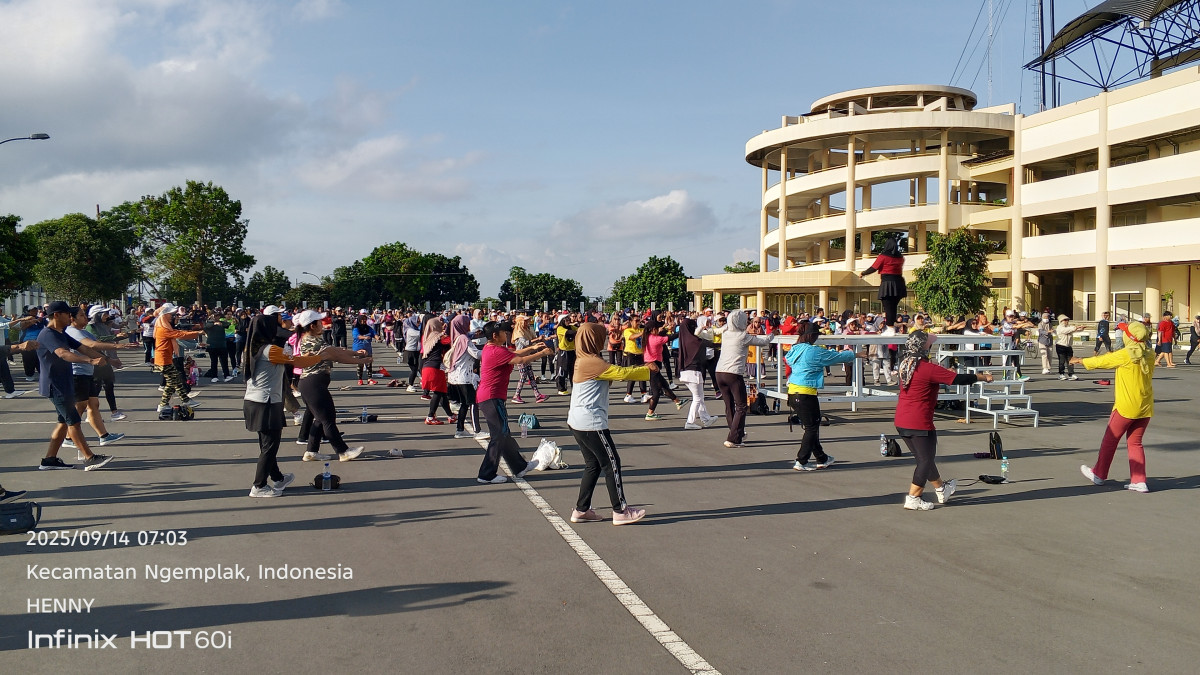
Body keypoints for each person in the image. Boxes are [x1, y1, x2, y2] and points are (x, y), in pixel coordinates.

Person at [894, 330, 992, 509]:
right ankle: (913, 498)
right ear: (924, 347)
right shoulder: (927, 368)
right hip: (919, 420)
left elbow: (932, 378)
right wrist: (982, 377)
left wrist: (942, 372)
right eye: (929, 345)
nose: (931, 347)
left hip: (902, 419)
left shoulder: (905, 364)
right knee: (925, 460)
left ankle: (941, 489)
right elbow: (958, 379)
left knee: (925, 459)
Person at [242, 310, 336, 497]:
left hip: (253, 400)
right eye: (274, 325)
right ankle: (258, 486)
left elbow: (293, 358)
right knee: (270, 446)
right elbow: (298, 361)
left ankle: (277, 478)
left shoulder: (253, 347)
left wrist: (309, 355)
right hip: (266, 402)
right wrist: (320, 356)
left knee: (266, 445)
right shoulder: (271, 350)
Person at [567, 322, 653, 525]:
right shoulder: (591, 362)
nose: (603, 339)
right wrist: (647, 370)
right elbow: (622, 374)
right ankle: (620, 510)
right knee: (611, 463)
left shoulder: (586, 358)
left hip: (579, 421)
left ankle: (581, 509)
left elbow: (610, 376)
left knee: (593, 465)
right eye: (601, 336)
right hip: (591, 422)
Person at [1072, 320, 1155, 493]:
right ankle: (1139, 480)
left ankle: (1099, 474)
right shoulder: (1149, 353)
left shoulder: (1126, 354)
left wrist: (1080, 360)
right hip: (1145, 406)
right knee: (1135, 442)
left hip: (1126, 406)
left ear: (1129, 337)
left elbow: (1103, 360)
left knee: (1110, 440)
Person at [34, 301, 116, 471]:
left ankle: (49, 460)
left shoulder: (61, 332)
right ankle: (90, 458)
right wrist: (90, 361)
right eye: (67, 314)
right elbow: (63, 354)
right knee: (74, 422)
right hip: (54, 385)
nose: (70, 318)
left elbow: (83, 348)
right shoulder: (48, 334)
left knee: (63, 422)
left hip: (64, 383)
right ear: (56, 315)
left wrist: (108, 360)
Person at [475, 320, 553, 484]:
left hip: (490, 397)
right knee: (499, 435)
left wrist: (532, 348)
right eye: (503, 332)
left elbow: (516, 354)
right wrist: (542, 353)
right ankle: (486, 474)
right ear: (495, 336)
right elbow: (520, 361)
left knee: (504, 434)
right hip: (491, 397)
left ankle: (519, 467)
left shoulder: (493, 348)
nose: (507, 334)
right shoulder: (496, 351)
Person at [293, 310, 371, 463]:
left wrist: (356, 353)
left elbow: (336, 350)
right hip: (313, 384)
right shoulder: (312, 341)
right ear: (313, 325)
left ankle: (311, 451)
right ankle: (343, 451)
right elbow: (336, 356)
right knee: (328, 419)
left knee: (319, 419)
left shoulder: (313, 338)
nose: (324, 324)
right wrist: (361, 361)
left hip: (311, 384)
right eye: (320, 322)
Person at [785, 322, 862, 471]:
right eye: (816, 335)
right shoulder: (813, 351)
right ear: (812, 336)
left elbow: (788, 360)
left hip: (793, 392)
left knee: (811, 426)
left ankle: (822, 458)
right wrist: (855, 354)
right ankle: (801, 461)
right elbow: (834, 357)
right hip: (806, 393)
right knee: (811, 428)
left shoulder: (794, 349)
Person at [63, 306, 137, 452]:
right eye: (82, 315)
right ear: (72, 318)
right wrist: (120, 346)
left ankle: (103, 436)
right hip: (77, 373)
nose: (85, 317)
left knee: (93, 404)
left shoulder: (83, 331)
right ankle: (68, 438)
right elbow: (92, 345)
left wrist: (110, 360)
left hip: (87, 373)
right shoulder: (72, 332)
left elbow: (93, 350)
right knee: (80, 407)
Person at [713, 309, 772, 448]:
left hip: (719, 372)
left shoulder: (726, 333)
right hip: (733, 374)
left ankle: (736, 432)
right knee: (741, 406)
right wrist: (772, 335)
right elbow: (763, 341)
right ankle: (733, 438)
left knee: (729, 405)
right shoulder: (743, 336)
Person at [154, 303, 203, 413]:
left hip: (166, 358)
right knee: (175, 380)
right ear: (165, 316)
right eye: (171, 314)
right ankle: (185, 400)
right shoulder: (163, 329)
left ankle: (164, 404)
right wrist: (197, 332)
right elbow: (180, 334)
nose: (173, 316)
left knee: (173, 381)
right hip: (163, 359)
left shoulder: (164, 327)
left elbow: (179, 333)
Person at [446, 313, 485, 439]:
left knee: (465, 403)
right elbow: (476, 354)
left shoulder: (457, 337)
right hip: (463, 376)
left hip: (454, 376)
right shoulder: (464, 339)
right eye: (467, 323)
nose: (468, 325)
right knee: (472, 402)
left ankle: (460, 429)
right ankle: (477, 431)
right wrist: (490, 350)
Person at [676, 316, 717, 430]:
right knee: (698, 398)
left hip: (685, 372)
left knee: (699, 396)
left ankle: (706, 419)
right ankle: (690, 421)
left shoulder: (683, 339)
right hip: (693, 372)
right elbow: (709, 344)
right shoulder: (694, 340)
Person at [641, 313, 683, 420]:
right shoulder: (656, 339)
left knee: (664, 385)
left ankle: (677, 401)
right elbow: (670, 337)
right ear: (652, 329)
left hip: (651, 364)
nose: (657, 330)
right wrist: (681, 331)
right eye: (656, 328)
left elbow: (662, 334)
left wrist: (665, 329)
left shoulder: (647, 337)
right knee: (656, 392)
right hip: (653, 366)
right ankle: (650, 413)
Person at [859, 234, 907, 327]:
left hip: (887, 283)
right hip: (899, 283)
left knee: (888, 307)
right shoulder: (901, 257)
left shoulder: (883, 256)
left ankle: (889, 328)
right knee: (893, 307)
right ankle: (892, 326)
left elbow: (873, 268)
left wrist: (863, 273)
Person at [420, 316, 456, 425]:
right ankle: (430, 416)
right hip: (435, 368)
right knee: (438, 392)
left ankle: (451, 415)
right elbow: (450, 341)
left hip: (427, 367)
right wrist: (450, 327)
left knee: (442, 392)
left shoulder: (426, 338)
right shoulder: (438, 337)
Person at [511, 314, 547, 404]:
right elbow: (525, 343)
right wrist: (536, 340)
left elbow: (533, 338)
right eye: (525, 321)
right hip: (520, 356)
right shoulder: (518, 331)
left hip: (526, 355)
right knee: (523, 376)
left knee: (531, 375)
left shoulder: (527, 330)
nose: (527, 322)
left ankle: (537, 395)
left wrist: (540, 339)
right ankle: (516, 395)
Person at [621, 314, 648, 402]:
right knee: (632, 374)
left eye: (639, 321)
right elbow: (632, 337)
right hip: (631, 354)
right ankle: (628, 395)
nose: (638, 322)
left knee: (642, 374)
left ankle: (643, 394)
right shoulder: (628, 330)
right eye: (636, 321)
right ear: (631, 322)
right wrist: (642, 333)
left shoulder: (641, 329)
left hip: (640, 354)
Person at [202, 314, 233, 382]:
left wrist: (221, 322)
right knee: (214, 362)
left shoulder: (221, 323)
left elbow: (227, 324)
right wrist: (214, 323)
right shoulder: (208, 323)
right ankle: (214, 376)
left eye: (218, 316)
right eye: (215, 316)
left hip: (222, 345)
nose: (217, 317)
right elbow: (206, 327)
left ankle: (226, 375)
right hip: (212, 345)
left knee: (224, 361)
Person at [554, 314, 578, 395]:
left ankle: (574, 387)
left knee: (573, 370)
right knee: (562, 369)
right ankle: (561, 388)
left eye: (569, 319)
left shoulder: (571, 327)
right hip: (563, 351)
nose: (568, 321)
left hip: (572, 351)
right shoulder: (560, 328)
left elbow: (578, 330)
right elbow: (569, 333)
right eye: (566, 320)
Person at [352, 312, 378, 385]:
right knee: (360, 364)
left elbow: (374, 333)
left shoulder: (368, 328)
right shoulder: (356, 328)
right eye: (362, 320)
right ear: (359, 320)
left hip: (367, 348)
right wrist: (365, 337)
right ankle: (360, 379)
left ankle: (370, 379)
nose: (364, 321)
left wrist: (377, 337)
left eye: (365, 320)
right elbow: (357, 336)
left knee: (369, 364)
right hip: (358, 348)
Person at [1055, 314, 1080, 380]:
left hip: (1068, 346)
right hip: (1060, 346)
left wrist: (1081, 328)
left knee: (1070, 361)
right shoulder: (1060, 327)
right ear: (1061, 321)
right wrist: (1075, 328)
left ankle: (1071, 374)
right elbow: (1066, 331)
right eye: (1065, 320)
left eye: (1067, 320)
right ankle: (1061, 374)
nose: (1067, 321)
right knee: (1062, 361)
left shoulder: (1069, 327)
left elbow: (1073, 330)